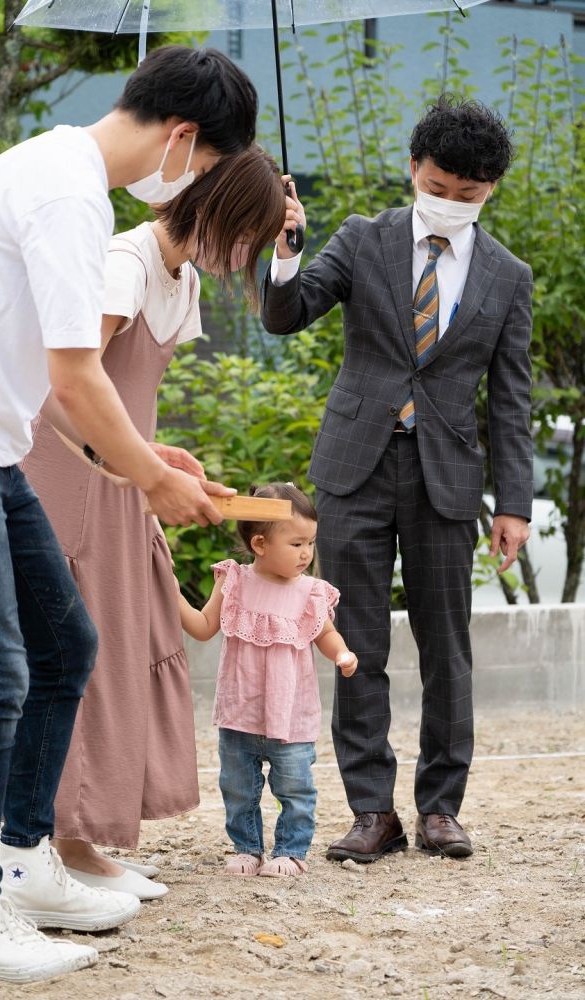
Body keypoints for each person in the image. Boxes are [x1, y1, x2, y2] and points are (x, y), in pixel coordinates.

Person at [0, 44, 258, 983]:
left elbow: (58, 391)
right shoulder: (70, 197)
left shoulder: (60, 171)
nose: (195, 188)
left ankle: (27, 863)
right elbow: (76, 374)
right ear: (185, 139)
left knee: (65, 646)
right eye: (211, 169)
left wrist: (142, 461)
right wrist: (152, 482)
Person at [261, 97, 533, 863]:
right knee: (359, 643)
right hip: (354, 467)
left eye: (468, 193)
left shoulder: (508, 275)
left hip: (446, 476)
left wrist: (513, 502)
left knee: (447, 645)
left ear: (491, 190)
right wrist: (284, 249)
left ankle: (441, 809)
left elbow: (510, 398)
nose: (449, 202)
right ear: (414, 168)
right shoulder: (360, 239)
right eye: (439, 185)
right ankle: (371, 812)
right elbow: (287, 316)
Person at [177, 483, 358, 878]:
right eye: (296, 544)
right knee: (238, 789)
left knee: (295, 789)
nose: (307, 553)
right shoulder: (234, 581)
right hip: (239, 713)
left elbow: (325, 634)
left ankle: (290, 851)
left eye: (310, 542)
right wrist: (169, 594)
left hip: (291, 718)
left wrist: (342, 653)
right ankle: (247, 848)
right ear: (259, 544)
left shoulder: (311, 591)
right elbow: (205, 626)